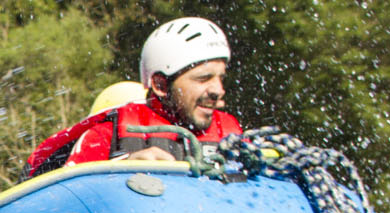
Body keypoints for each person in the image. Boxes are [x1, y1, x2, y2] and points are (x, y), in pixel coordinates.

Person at [24, 17, 244, 177]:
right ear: (160, 85)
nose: (218, 90)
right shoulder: (108, 134)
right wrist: (120, 170)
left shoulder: (230, 132)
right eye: (203, 78)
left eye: (220, 78)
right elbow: (66, 200)